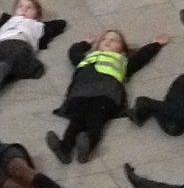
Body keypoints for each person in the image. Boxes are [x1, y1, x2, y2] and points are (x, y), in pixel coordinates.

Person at [47, 29, 167, 162]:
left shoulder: (123, 61)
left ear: (122, 50)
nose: (108, 41)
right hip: (80, 91)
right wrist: (84, 43)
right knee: (76, 119)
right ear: (97, 46)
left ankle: (87, 145)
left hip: (107, 93)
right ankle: (65, 148)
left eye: (114, 40)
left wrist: (155, 44)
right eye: (104, 39)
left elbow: (140, 57)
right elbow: (73, 53)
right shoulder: (87, 58)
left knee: (96, 119)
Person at [0, 0, 69, 114]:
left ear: (37, 14)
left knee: (4, 65)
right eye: (20, 6)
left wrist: (37, 21)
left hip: (20, 46)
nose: (24, 10)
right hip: (0, 47)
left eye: (29, 8)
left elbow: (61, 24)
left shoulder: (39, 26)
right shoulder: (7, 21)